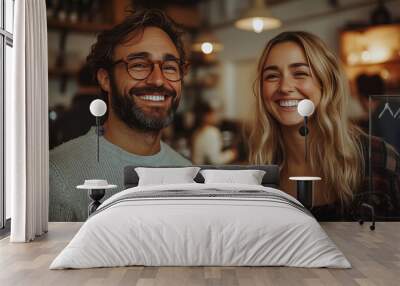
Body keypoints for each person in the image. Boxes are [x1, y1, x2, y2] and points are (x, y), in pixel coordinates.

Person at [50, 9, 191, 222]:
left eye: (170, 67)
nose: (158, 80)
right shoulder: (58, 176)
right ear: (105, 79)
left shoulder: (189, 174)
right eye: (139, 65)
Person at [248, 31, 400, 220]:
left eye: (300, 73)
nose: (285, 87)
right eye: (271, 76)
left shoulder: (380, 159)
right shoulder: (255, 180)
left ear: (327, 82)